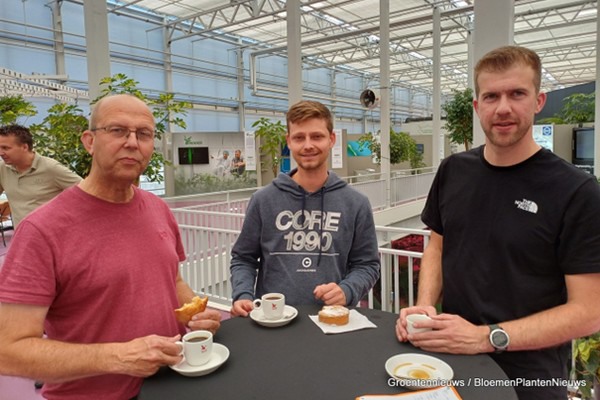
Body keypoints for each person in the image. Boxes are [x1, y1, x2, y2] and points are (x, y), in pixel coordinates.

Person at [395, 46, 600, 400]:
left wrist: (485, 337)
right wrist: (425, 307)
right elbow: (437, 247)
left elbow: (589, 311)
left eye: (517, 93)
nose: (503, 108)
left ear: (538, 101)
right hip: (451, 363)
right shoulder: (453, 171)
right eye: (491, 96)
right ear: (478, 107)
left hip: (530, 379)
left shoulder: (576, 191)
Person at [0, 94, 221, 400]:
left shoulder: (158, 209)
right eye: (117, 130)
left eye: (144, 134)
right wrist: (118, 357)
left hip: (171, 382)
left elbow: (172, 279)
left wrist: (194, 315)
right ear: (89, 141)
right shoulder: (42, 230)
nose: (132, 143)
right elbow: (9, 351)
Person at [229, 100, 380, 316]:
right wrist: (243, 294)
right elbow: (244, 258)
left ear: (332, 139)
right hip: (273, 320)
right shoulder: (263, 200)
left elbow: (367, 265)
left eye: (317, 136)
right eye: (299, 138)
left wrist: (347, 290)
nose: (308, 145)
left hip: (331, 320)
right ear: (289, 141)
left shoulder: (356, 203)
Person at [0, 124, 82, 227]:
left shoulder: (51, 168)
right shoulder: (3, 168)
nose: (1, 153)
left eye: (5, 148)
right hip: (22, 234)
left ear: (24, 147)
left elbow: (87, 192)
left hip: (52, 234)